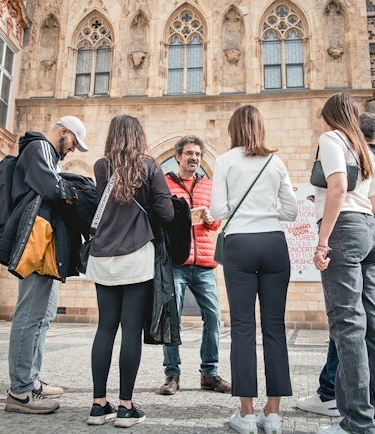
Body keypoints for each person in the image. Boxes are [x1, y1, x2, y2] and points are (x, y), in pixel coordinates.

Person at [297, 112, 375, 416]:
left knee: (348, 324)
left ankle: (351, 413)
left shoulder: (334, 141)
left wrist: (323, 241)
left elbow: (337, 189)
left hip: (351, 232)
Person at [211, 105, 298, 434]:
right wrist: (267, 209)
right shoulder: (275, 162)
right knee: (275, 328)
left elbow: (219, 209)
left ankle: (246, 414)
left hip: (240, 245)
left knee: (243, 328)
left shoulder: (224, 161)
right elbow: (290, 210)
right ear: (260, 129)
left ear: (234, 129)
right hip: (274, 244)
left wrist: (241, 207)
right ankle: (272, 413)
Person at [85, 115, 174, 428]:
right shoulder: (149, 168)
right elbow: (166, 212)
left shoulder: (100, 166)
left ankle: (98, 405)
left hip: (102, 256)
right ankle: (125, 406)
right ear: (138, 137)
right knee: (130, 329)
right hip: (136, 255)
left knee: (105, 328)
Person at [5, 116, 89, 414]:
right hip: (36, 243)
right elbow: (51, 190)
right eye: (73, 144)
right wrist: (74, 191)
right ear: (63, 132)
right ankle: (20, 391)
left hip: (46, 244)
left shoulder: (48, 154)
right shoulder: (39, 147)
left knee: (44, 314)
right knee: (29, 315)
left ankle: (30, 379)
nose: (72, 151)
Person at [158, 135, 231, 395]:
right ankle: (172, 375)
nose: (194, 158)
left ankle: (209, 373)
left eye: (198, 154)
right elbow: (160, 219)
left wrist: (211, 219)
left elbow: (216, 224)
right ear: (178, 156)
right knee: (172, 318)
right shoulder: (165, 184)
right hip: (176, 261)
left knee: (213, 318)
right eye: (189, 153)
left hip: (204, 262)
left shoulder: (208, 185)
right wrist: (182, 220)